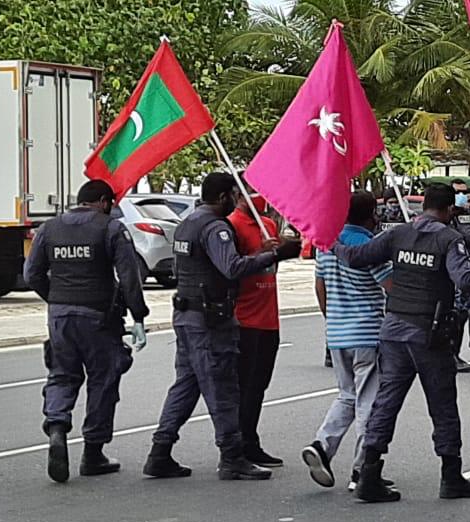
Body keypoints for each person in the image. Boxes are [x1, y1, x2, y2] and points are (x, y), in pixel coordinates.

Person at [333, 183, 470, 502]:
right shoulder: (448, 238)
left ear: (423, 205)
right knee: (442, 405)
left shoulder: (398, 234)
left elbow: (356, 257)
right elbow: (465, 280)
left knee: (386, 403)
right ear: (450, 210)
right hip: (429, 333)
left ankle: (369, 472)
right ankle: (451, 475)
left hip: (394, 330)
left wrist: (330, 241)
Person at [143, 172, 301, 481]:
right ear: (222, 197)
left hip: (187, 314)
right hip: (209, 320)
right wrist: (273, 254)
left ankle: (159, 451)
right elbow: (232, 267)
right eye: (232, 194)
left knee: (186, 387)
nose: (235, 199)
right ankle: (232, 456)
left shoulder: (187, 224)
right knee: (224, 389)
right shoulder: (216, 228)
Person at [24, 179, 149, 484]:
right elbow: (129, 275)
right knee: (103, 381)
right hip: (98, 318)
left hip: (59, 315)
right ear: (104, 201)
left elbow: (31, 274)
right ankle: (93, 453)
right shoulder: (110, 228)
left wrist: (56, 298)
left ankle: (56, 426)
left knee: (61, 375)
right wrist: (138, 317)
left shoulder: (49, 228)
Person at [304, 191, 392, 491]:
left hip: (337, 334)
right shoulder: (369, 246)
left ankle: (322, 445)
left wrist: (332, 320)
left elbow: (320, 286)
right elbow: (390, 285)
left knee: (347, 395)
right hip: (367, 331)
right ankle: (362, 469)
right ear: (371, 215)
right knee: (369, 401)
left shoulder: (326, 244)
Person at [228, 180, 285, 467]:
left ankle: (250, 437)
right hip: (244, 317)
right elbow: (231, 267)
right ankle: (239, 442)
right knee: (243, 385)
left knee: (259, 385)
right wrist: (259, 252)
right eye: (251, 192)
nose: (258, 197)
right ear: (238, 196)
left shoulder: (268, 224)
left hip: (269, 317)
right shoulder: (231, 225)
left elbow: (273, 265)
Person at [450, 179, 470, 373]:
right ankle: (452, 353)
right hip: (456, 272)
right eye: (458, 192)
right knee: (457, 314)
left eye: (464, 192)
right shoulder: (447, 218)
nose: (462, 196)